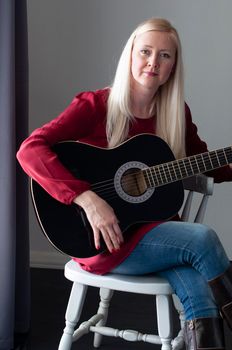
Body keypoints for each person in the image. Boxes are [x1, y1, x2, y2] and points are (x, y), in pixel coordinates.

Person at [17, 18, 232, 349]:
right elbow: (30, 150)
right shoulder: (96, 104)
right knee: (202, 238)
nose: (153, 62)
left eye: (165, 55)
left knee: (199, 291)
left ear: (174, 65)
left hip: (159, 235)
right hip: (107, 240)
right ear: (130, 54)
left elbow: (208, 164)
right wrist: (88, 199)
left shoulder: (176, 113)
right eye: (145, 51)